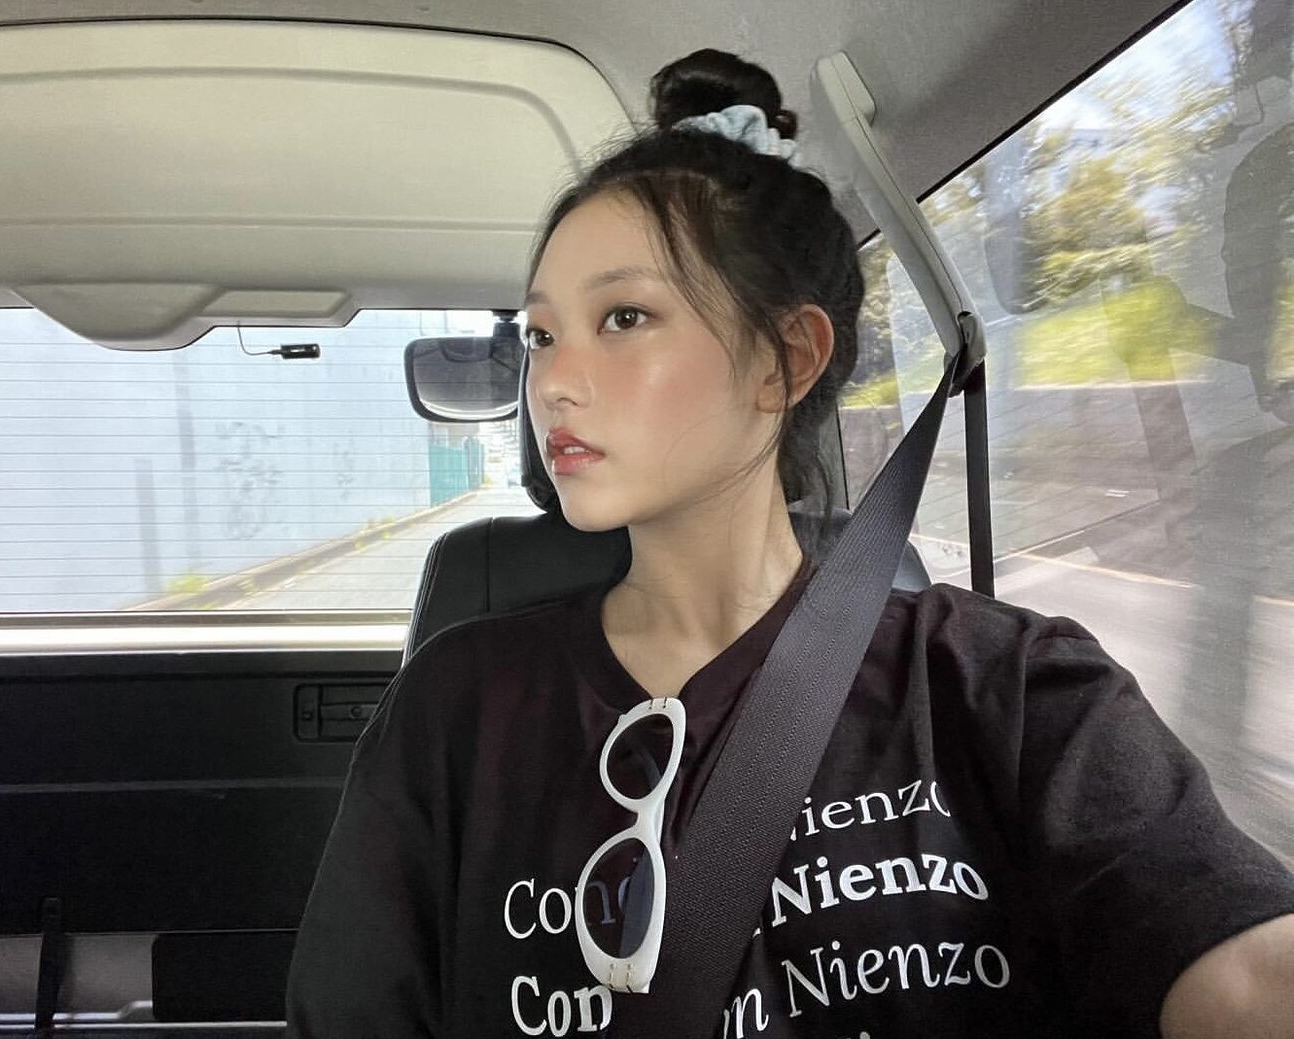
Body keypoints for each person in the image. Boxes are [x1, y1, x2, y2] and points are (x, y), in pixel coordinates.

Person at [285, 49, 1294, 1039]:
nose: (551, 380)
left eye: (623, 317)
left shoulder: (1008, 687)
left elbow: (1241, 970)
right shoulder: (455, 704)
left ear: (783, 360)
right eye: (542, 335)